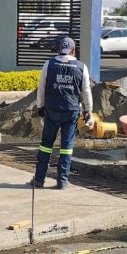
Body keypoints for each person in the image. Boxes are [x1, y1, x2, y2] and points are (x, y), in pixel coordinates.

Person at [31, 36, 93, 190]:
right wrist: (88, 111)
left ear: (59, 49)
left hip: (52, 110)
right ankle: (62, 181)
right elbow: (86, 91)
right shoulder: (81, 67)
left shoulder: (49, 64)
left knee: (46, 145)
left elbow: (42, 88)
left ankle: (39, 179)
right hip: (71, 111)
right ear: (73, 50)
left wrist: (40, 107)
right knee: (66, 147)